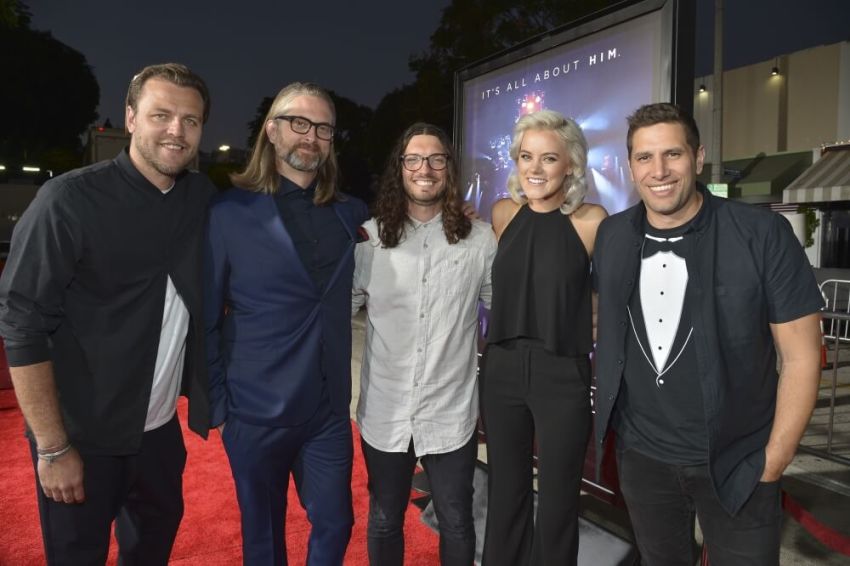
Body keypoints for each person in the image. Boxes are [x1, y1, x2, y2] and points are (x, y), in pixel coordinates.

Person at [0, 63, 214, 565]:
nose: (176, 131)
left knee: (151, 553)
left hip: (160, 436)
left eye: (191, 120)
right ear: (131, 117)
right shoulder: (67, 200)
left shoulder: (201, 198)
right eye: (161, 114)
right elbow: (21, 323)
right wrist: (52, 448)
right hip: (82, 440)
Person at [593, 102, 823, 565]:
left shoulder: (761, 234)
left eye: (672, 154)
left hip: (740, 460)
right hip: (643, 459)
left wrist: (773, 461)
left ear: (698, 159)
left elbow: (802, 357)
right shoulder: (612, 235)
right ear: (630, 166)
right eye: (644, 157)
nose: (659, 170)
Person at [205, 82, 368, 565]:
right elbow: (207, 315)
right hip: (254, 410)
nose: (311, 136)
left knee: (337, 523)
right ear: (272, 131)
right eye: (299, 123)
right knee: (264, 537)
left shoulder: (350, 212)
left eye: (323, 128)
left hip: (329, 410)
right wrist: (220, 404)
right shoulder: (227, 211)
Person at [352, 123, 496, 565]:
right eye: (413, 159)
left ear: (449, 169)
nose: (425, 169)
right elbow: (335, 310)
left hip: (450, 413)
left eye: (436, 159)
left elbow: (510, 312)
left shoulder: (481, 239)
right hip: (384, 411)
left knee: (456, 521)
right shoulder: (369, 240)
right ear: (400, 169)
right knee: (382, 519)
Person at [480, 110, 607, 565]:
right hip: (502, 370)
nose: (534, 169)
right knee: (506, 494)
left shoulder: (592, 221)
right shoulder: (502, 213)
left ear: (571, 164)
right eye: (525, 157)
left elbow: (608, 296)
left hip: (562, 373)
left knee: (557, 502)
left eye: (548, 158)